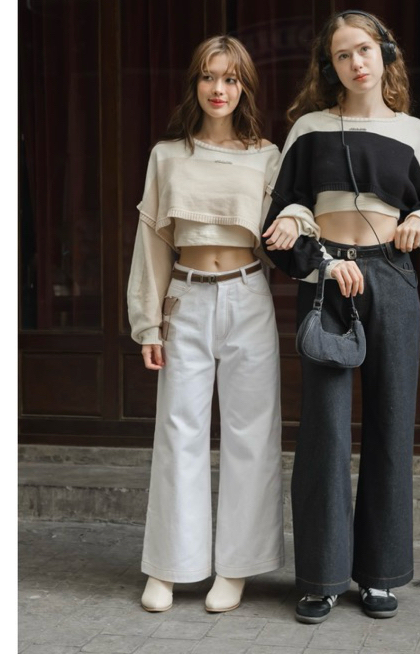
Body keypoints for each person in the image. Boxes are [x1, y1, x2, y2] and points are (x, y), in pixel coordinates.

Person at [262, 10, 420, 624]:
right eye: (343, 54)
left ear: (386, 54)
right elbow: (282, 209)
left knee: (391, 423)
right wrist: (317, 255)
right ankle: (321, 577)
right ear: (330, 67)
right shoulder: (309, 130)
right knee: (323, 430)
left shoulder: (413, 133)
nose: (356, 62)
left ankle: (379, 575)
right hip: (329, 279)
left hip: (392, 279)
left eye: (366, 49)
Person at [127, 35, 284, 614]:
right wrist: (147, 325)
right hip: (185, 298)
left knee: (251, 434)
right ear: (195, 83)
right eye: (209, 77)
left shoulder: (267, 155)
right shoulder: (168, 155)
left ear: (244, 87)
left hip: (248, 295)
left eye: (231, 79)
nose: (219, 89)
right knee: (178, 432)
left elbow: (288, 227)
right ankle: (170, 567)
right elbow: (152, 242)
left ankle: (236, 567)